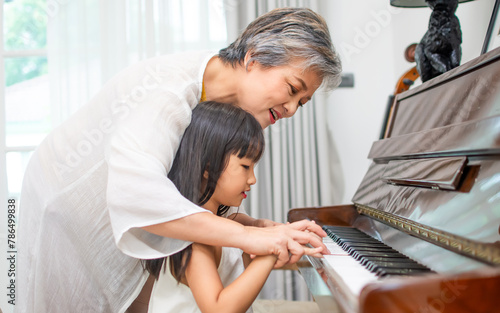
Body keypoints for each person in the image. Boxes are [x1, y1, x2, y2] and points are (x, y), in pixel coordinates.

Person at [16, 7, 342, 313]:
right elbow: (139, 195)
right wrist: (254, 238)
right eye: (292, 89)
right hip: (66, 201)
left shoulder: (222, 107)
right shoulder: (169, 89)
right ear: (253, 58)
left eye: (303, 102)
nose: (291, 110)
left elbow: (197, 194)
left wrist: (257, 226)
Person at [144, 101, 322, 313]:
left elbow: (248, 242)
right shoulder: (194, 240)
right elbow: (219, 309)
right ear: (208, 167)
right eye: (246, 166)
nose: (253, 179)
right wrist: (272, 248)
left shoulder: (225, 221)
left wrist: (278, 236)